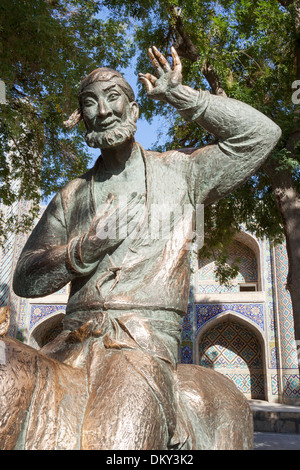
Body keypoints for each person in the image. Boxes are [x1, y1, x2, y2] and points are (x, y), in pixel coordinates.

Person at [11, 46, 281, 450]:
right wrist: (82, 249)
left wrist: (182, 96)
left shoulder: (180, 172)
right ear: (81, 117)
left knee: (115, 440)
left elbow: (261, 136)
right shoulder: (72, 195)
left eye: (113, 97)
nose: (103, 111)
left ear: (134, 109)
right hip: (68, 342)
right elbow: (25, 278)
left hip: (140, 342)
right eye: (90, 102)